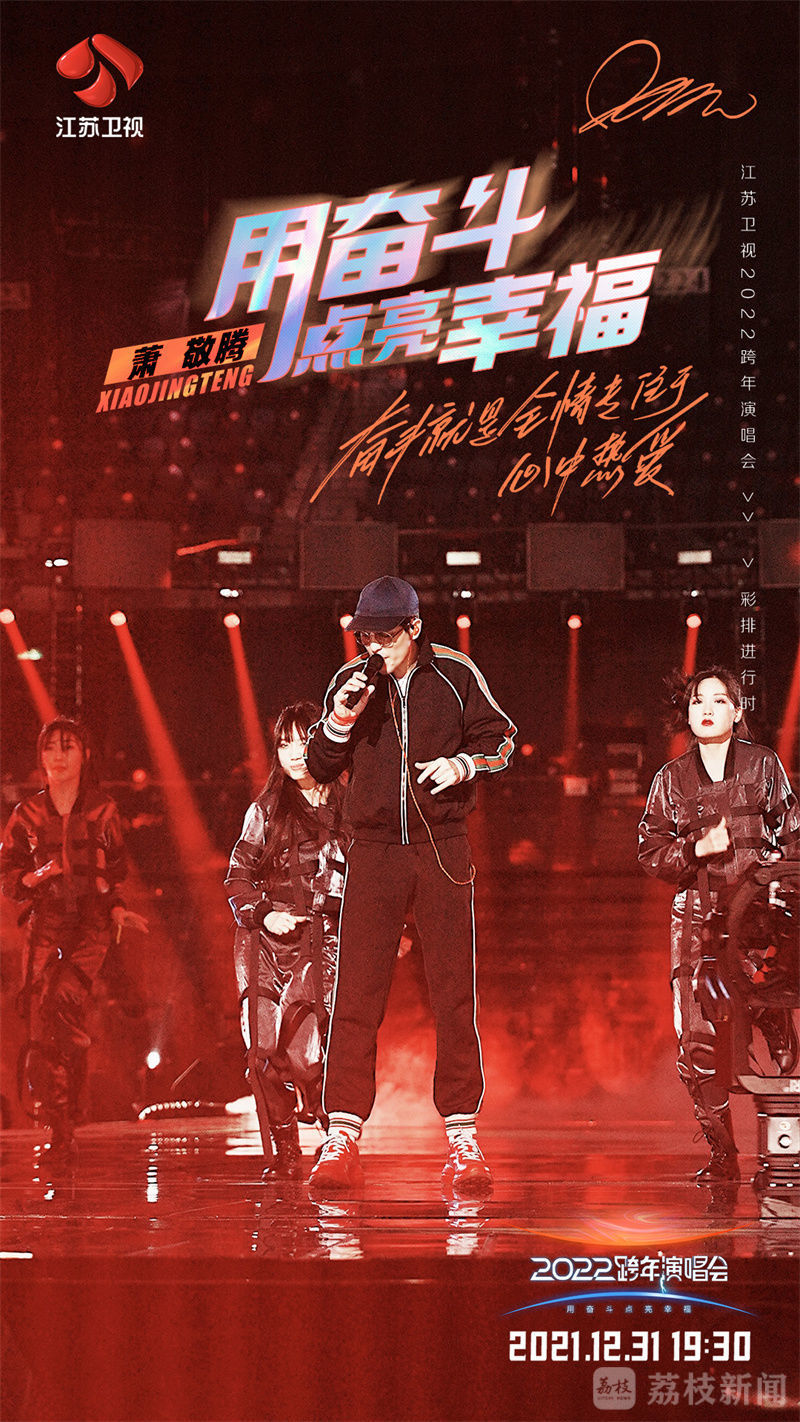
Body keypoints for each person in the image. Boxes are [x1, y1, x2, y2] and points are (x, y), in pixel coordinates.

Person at [304, 576, 516, 1198]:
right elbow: (318, 765)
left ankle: (462, 1136)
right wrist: (340, 720)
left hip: (442, 847)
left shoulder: (454, 672)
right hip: (372, 851)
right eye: (365, 637)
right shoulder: (351, 682)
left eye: (386, 636)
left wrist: (463, 764)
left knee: (453, 993)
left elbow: (502, 739)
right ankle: (341, 1134)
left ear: (414, 628)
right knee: (356, 993)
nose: (374, 647)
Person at [638, 668, 800, 1183]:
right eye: (697, 701)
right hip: (697, 921)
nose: (706, 709)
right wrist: (695, 848)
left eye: (718, 700)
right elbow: (651, 852)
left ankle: (782, 1146)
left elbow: (793, 835)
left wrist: (778, 881)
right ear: (686, 713)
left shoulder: (763, 763)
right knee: (697, 1041)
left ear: (736, 710)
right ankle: (723, 1152)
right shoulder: (670, 779)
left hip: (759, 916)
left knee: (771, 1018)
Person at [0, 717, 147, 1161]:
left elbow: (114, 870)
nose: (58, 756)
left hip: (90, 926)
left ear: (85, 754)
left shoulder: (103, 810)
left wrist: (116, 908)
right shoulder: (26, 815)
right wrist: (32, 877)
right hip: (44, 925)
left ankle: (70, 1094)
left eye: (68, 747)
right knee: (42, 1021)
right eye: (51, 747)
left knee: (59, 1001)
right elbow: (8, 873)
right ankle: (60, 1123)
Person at [225, 702, 346, 1178]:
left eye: (303, 740)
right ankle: (284, 1145)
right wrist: (263, 914)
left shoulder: (352, 805)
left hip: (323, 939)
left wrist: (393, 929)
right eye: (284, 743)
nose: (295, 753)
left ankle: (329, 1126)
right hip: (261, 940)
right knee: (260, 1052)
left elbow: (376, 879)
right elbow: (237, 876)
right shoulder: (265, 810)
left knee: (303, 1052)